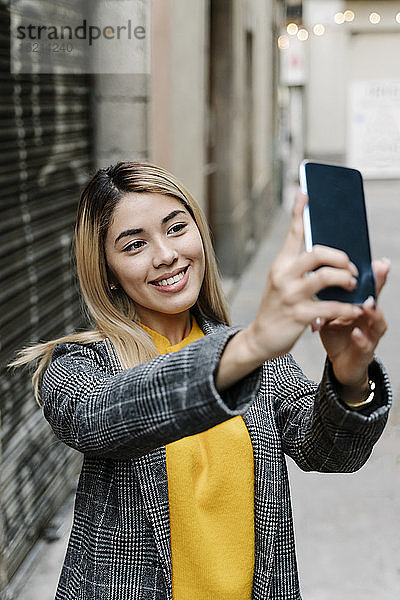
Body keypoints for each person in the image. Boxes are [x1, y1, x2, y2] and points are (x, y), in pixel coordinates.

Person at [12, 161, 391, 600]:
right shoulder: (79, 364)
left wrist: (349, 375)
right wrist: (250, 347)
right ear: (108, 273)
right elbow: (101, 414)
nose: (166, 254)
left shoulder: (251, 355)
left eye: (176, 228)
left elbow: (329, 451)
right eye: (135, 246)